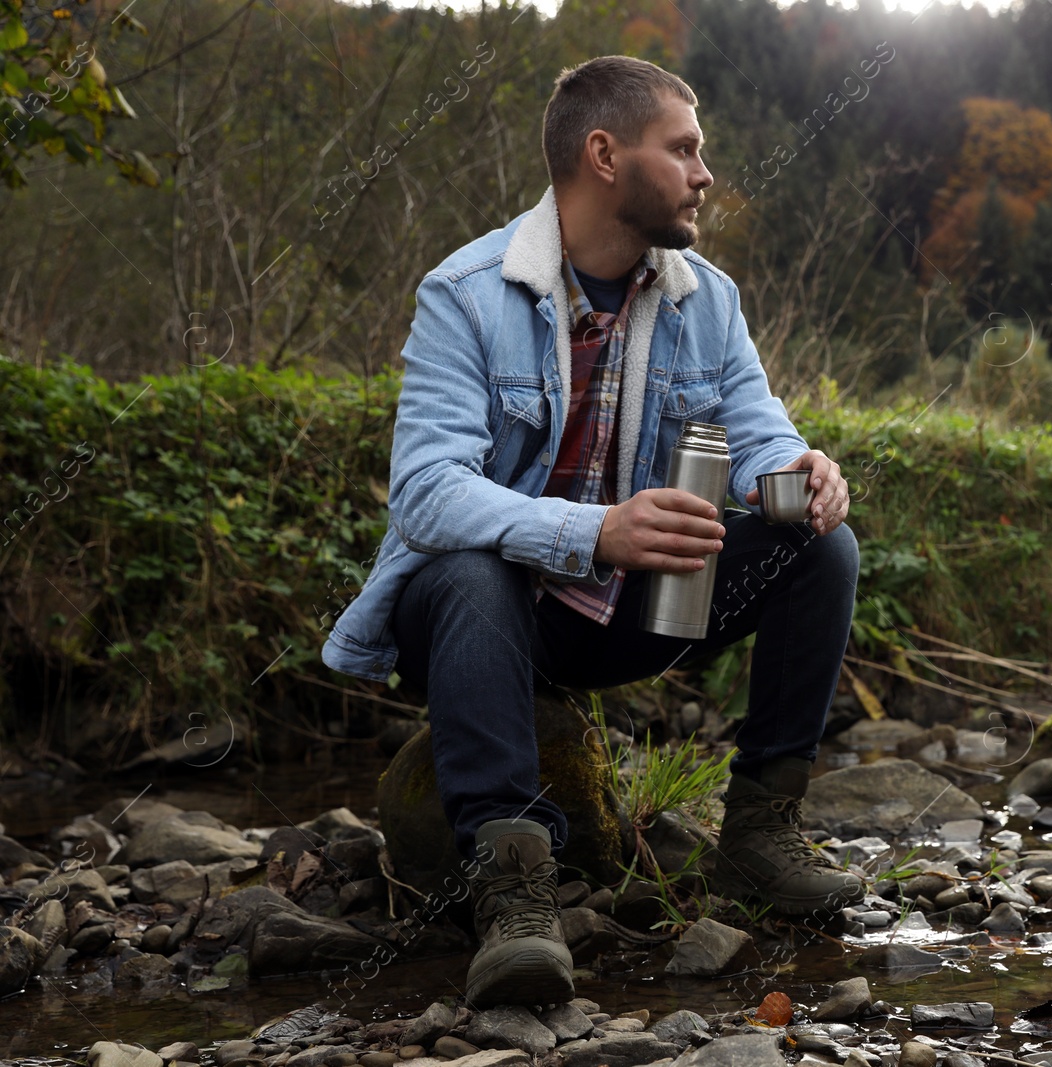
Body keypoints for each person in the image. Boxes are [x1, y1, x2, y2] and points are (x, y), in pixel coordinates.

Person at [319, 54, 865, 1009]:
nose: (704, 173)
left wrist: (801, 474)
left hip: (616, 618)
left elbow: (757, 432)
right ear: (605, 154)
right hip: (470, 622)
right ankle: (512, 887)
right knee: (471, 566)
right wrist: (594, 530)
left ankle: (760, 837)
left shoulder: (710, 299)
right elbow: (426, 493)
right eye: (685, 149)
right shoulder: (468, 292)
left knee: (822, 547)